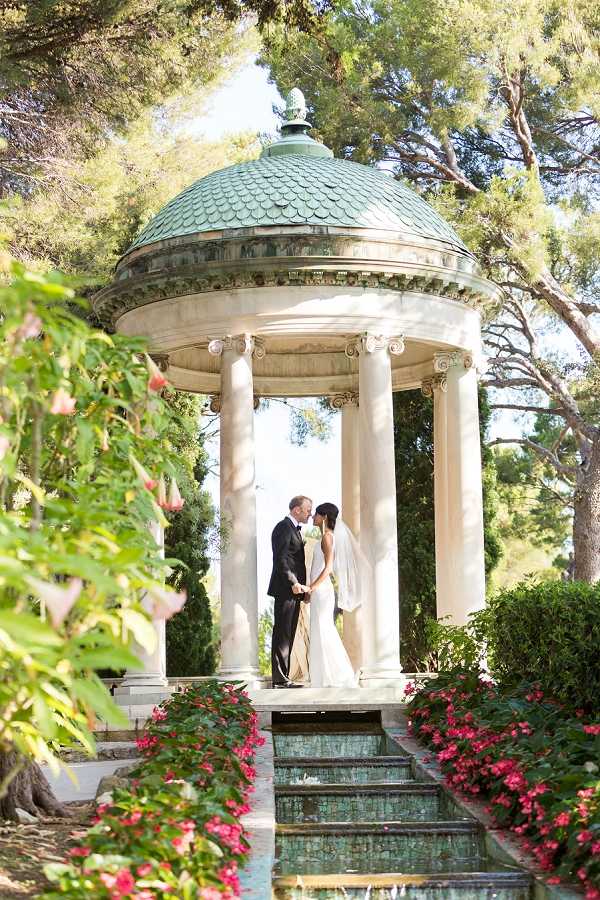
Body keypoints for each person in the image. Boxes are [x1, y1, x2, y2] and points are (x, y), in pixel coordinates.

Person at [308, 502, 364, 688]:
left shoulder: (327, 537)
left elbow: (328, 568)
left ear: (323, 516)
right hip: (320, 591)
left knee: (324, 630)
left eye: (316, 514)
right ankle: (323, 677)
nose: (313, 517)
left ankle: (335, 676)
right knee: (320, 629)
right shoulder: (327, 536)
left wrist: (311, 587)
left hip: (322, 591)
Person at [267, 495, 312, 688]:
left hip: (295, 591)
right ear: (296, 510)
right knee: (282, 633)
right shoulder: (283, 528)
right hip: (285, 589)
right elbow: (281, 559)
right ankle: (279, 679)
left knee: (289, 633)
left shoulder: (295, 530)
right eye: (308, 509)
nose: (310, 513)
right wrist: (293, 582)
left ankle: (283, 677)